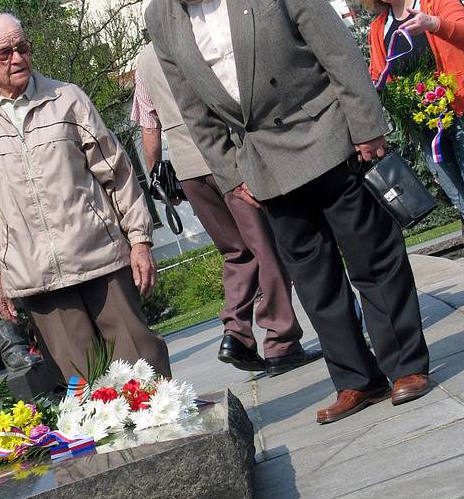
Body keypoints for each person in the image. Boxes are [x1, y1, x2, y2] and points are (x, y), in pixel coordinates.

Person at [142, 0, 431, 424]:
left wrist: (366, 124)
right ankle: (355, 380)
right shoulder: (162, 14)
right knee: (314, 280)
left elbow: (335, 47)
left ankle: (405, 365)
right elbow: (191, 108)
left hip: (327, 135)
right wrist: (233, 177)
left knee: (372, 259)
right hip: (264, 165)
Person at [0, 13, 171, 382]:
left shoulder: (67, 98)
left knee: (143, 366)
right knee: (83, 384)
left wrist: (140, 241)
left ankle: (171, 438)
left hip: (99, 254)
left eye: (22, 48)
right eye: (5, 53)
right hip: (35, 274)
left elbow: (117, 172)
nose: (17, 59)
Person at [132, 42, 322, 375]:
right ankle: (280, 341)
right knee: (266, 249)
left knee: (236, 253)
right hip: (227, 157)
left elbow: (150, 128)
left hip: (188, 169)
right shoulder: (197, 41)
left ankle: (236, 334)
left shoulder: (144, 61)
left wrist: (158, 179)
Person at [350, 0, 464, 232]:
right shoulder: (380, 28)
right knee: (461, 203)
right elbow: (378, 77)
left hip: (461, 112)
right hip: (426, 129)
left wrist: (434, 23)